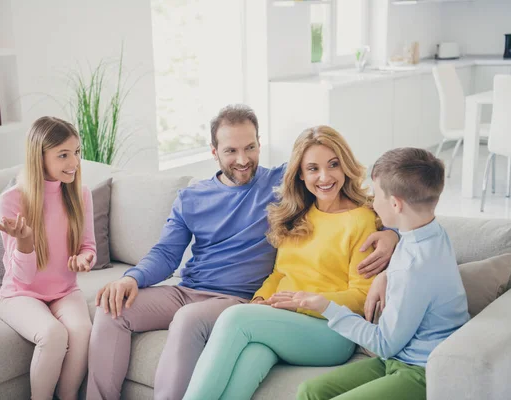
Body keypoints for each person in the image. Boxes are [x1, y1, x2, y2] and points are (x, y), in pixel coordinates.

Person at [86, 105, 399, 400]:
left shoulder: (281, 184)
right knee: (111, 308)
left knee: (190, 319)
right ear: (214, 152)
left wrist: (391, 233)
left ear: (260, 144)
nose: (242, 159)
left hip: (238, 300)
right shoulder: (197, 197)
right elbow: (167, 254)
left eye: (250, 147)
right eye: (231, 150)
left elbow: (389, 206)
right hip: (192, 289)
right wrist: (131, 278)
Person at [183, 126, 381, 400]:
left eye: (333, 165)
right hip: (284, 321)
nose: (324, 177)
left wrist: (305, 301)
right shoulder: (297, 214)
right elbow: (279, 273)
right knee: (253, 356)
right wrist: (260, 299)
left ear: (345, 165)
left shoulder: (361, 220)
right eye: (313, 168)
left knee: (234, 317)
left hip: (333, 332)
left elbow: (362, 296)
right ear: (300, 173)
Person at [288, 148, 470, 400]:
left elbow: (384, 343)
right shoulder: (431, 232)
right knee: (309, 391)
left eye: (376, 195)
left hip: (420, 371)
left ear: (395, 204)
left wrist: (326, 306)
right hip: (397, 358)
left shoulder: (413, 269)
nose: (372, 203)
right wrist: (384, 276)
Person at [0, 116, 96, 400]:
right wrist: (25, 242)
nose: (74, 162)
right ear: (38, 158)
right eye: (63, 155)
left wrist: (85, 259)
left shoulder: (81, 194)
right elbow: (22, 277)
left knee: (82, 331)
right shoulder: (11, 202)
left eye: (76, 152)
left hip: (65, 290)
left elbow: (88, 244)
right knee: (53, 335)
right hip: (20, 294)